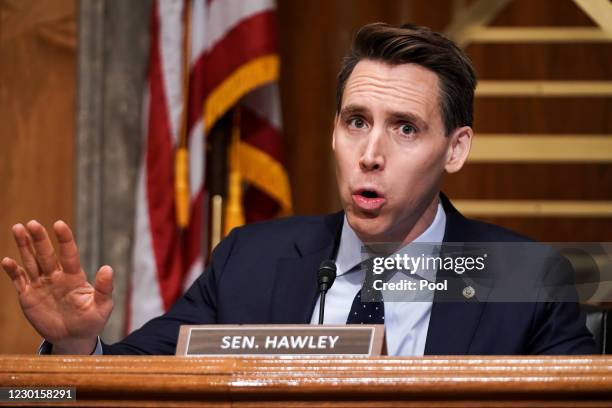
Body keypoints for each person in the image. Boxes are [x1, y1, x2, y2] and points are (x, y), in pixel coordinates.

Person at [1, 23, 596, 355]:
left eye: (406, 129)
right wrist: (78, 347)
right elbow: (112, 389)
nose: (370, 155)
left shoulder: (526, 279)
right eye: (356, 121)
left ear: (456, 148)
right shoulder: (249, 262)